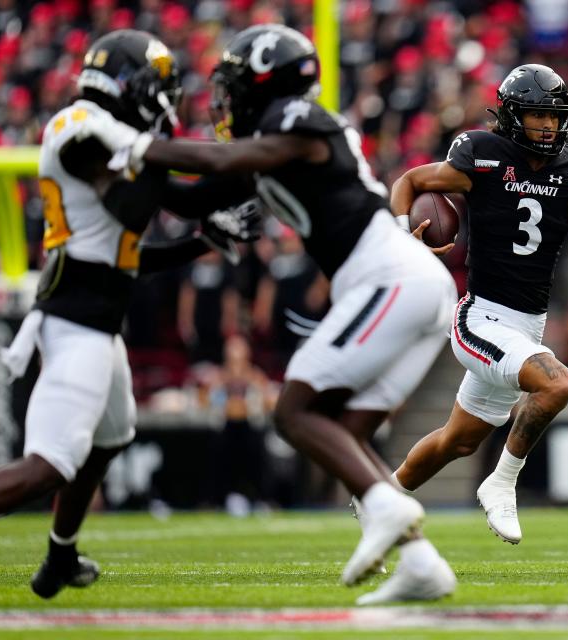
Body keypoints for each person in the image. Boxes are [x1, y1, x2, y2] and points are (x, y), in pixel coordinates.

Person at [0, 30, 260, 606]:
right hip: (75, 322)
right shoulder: (79, 128)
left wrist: (226, 204)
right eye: (155, 87)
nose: (162, 99)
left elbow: (168, 212)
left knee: (112, 436)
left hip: (96, 318)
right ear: (126, 84)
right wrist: (178, 149)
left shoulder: (109, 132)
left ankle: (60, 552)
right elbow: (133, 211)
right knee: (47, 465)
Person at [81, 24, 458, 604]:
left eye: (234, 84)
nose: (226, 99)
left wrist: (129, 142)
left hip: (390, 279)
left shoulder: (295, 121)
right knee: (343, 432)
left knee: (293, 411)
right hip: (402, 284)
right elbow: (186, 196)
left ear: (266, 80)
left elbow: (230, 156)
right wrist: (116, 168)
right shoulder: (268, 143)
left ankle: (387, 512)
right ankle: (420, 562)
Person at [388, 64, 568, 543]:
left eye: (554, 115)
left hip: (528, 325)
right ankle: (501, 484)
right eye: (536, 115)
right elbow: (409, 182)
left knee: (458, 441)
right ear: (511, 116)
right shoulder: (481, 154)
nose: (547, 125)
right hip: (479, 317)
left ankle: (383, 495)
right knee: (558, 384)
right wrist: (406, 237)